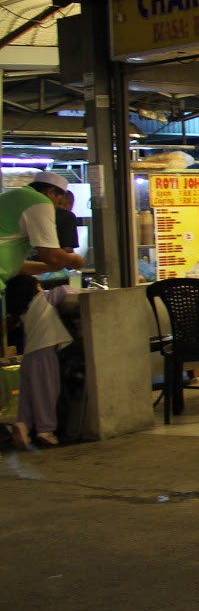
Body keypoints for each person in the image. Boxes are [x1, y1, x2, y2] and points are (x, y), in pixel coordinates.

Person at [2, 172, 84, 449]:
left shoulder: (12, 198)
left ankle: (17, 425)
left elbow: (18, 267)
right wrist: (73, 259)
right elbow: (51, 253)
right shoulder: (38, 202)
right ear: (54, 195)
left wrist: (54, 266)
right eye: (61, 205)